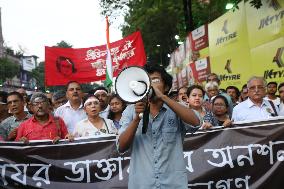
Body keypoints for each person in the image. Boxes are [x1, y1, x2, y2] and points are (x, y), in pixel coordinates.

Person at [118, 64, 200, 189]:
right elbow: (121, 147)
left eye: (155, 80)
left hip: (173, 183)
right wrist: (136, 119)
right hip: (142, 184)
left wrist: (163, 97)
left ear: (166, 86)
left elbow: (196, 123)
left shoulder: (176, 109)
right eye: (147, 80)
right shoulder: (130, 111)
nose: (150, 84)